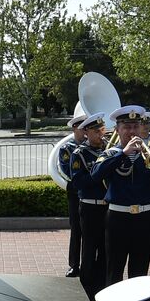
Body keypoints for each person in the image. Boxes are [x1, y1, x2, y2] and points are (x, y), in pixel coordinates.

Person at [92, 106, 150, 285]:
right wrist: (123, 154)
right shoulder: (110, 154)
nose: (132, 131)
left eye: (135, 126)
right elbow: (96, 174)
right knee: (114, 270)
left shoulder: (149, 155)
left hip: (145, 217)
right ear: (117, 130)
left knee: (139, 271)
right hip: (118, 217)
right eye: (127, 127)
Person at [69, 113, 110, 298]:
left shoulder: (110, 150)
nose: (101, 133)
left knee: (105, 248)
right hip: (90, 206)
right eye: (96, 131)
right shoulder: (80, 154)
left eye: (102, 129)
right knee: (89, 247)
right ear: (86, 132)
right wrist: (98, 174)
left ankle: (101, 286)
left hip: (108, 206)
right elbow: (78, 182)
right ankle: (86, 287)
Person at [61, 114, 86, 278]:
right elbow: (66, 169)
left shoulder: (96, 146)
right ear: (74, 128)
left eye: (86, 127)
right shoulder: (67, 148)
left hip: (93, 192)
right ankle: (74, 264)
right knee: (76, 228)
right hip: (76, 191)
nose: (85, 130)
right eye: (82, 127)